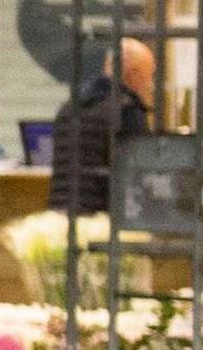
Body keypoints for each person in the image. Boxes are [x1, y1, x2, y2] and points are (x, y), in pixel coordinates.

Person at [46, 31, 160, 219]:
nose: (150, 85)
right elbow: (135, 178)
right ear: (134, 74)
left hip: (60, 220)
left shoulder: (70, 107)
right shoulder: (127, 109)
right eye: (149, 76)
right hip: (101, 224)